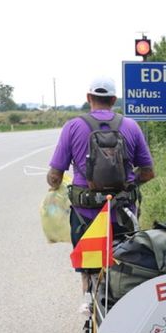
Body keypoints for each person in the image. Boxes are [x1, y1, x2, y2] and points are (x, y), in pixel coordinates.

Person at [47, 76, 155, 248]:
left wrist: (54, 186)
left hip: (85, 215)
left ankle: (88, 275)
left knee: (88, 268)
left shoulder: (72, 127)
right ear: (113, 100)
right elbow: (148, 173)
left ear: (88, 97)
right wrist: (128, 184)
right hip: (123, 215)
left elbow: (55, 177)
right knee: (124, 266)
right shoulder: (131, 126)